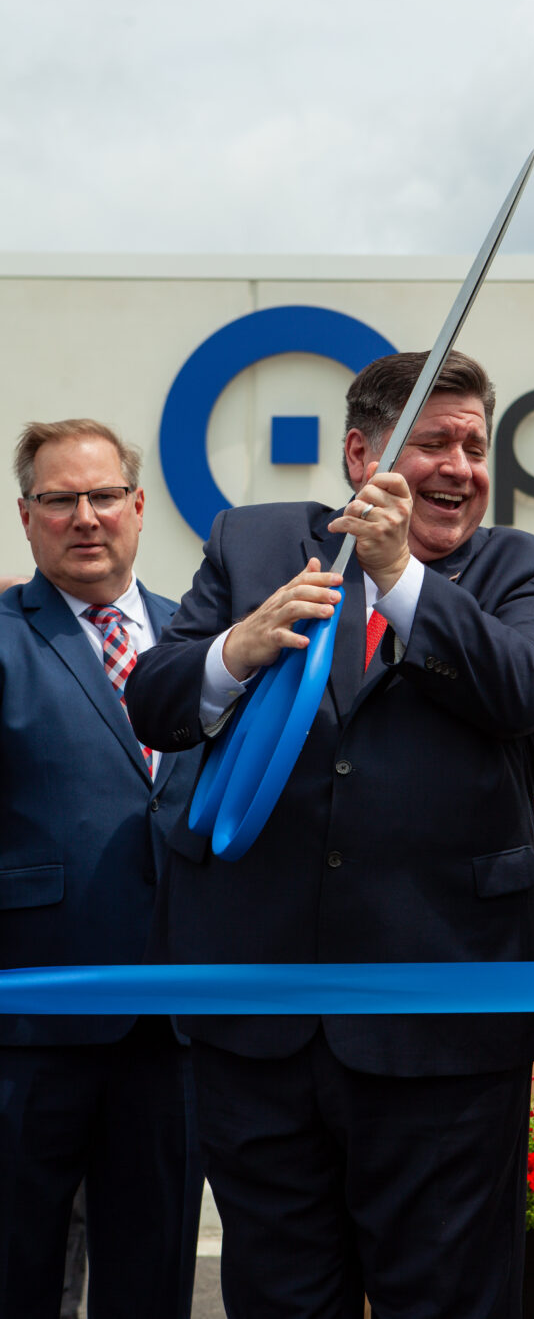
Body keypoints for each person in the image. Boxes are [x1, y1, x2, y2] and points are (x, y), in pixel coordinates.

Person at [126, 350, 534, 1319]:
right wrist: (235, 649)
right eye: (433, 443)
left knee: (450, 1298)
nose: (460, 466)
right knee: (280, 1295)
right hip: (258, 1028)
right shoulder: (249, 545)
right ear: (359, 453)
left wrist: (403, 575)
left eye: (474, 445)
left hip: (447, 1035)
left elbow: (521, 692)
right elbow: (158, 703)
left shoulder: (529, 572)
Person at [0, 419, 204, 1319]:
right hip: (28, 1029)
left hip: (176, 1030)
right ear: (26, 516)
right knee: (14, 1273)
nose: (85, 518)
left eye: (103, 496)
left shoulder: (203, 639)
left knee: (153, 1278)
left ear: (138, 506)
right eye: (58, 499)